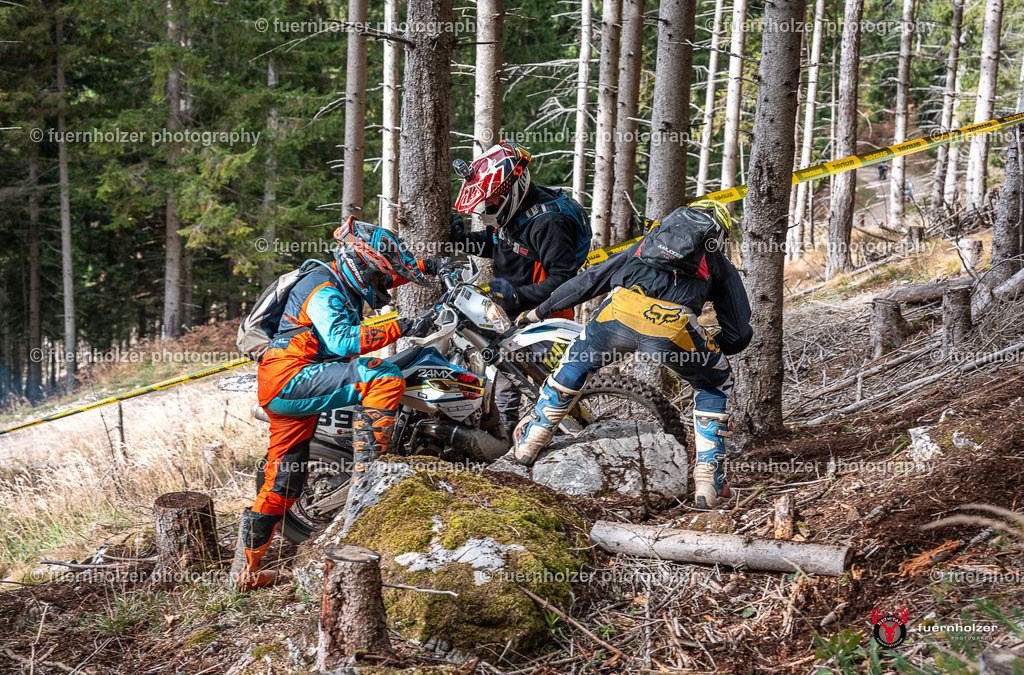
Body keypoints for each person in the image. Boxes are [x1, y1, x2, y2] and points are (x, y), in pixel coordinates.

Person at [230, 218, 441, 591]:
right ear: (359, 265)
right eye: (376, 277)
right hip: (291, 379)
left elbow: (389, 272)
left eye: (382, 278)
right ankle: (368, 477)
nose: (382, 287)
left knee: (283, 483)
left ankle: (243, 575)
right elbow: (343, 342)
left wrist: (429, 268)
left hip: (283, 383)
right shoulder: (324, 290)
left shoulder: (339, 277)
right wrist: (403, 326)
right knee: (384, 376)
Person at [512, 199, 753, 510]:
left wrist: (538, 312)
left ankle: (532, 440)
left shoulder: (644, 244)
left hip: (617, 316)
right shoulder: (718, 262)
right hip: (673, 329)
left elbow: (588, 281)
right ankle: (709, 482)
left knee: (577, 362)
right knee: (714, 385)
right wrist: (711, 350)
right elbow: (739, 334)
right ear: (717, 234)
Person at [450, 139, 591, 435]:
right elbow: (499, 244)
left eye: (491, 200)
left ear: (511, 191)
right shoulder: (514, 213)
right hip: (514, 311)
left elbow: (565, 280)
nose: (487, 206)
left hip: (544, 315)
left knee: (522, 387)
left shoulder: (548, 222)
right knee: (506, 382)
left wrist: (516, 296)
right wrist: (459, 238)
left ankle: (535, 448)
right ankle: (518, 439)